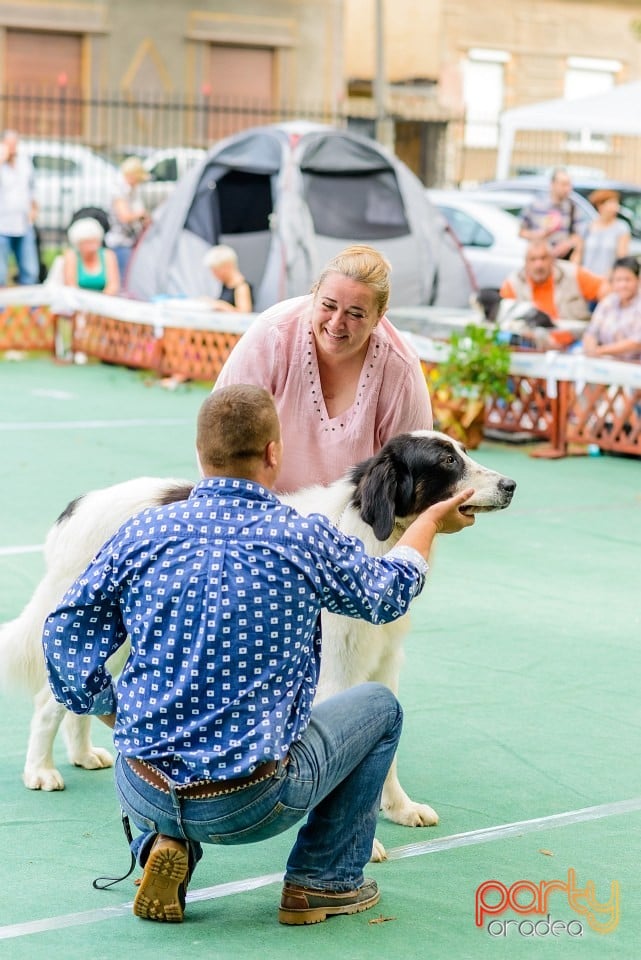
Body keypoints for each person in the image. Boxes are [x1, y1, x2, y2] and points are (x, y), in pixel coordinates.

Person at [42, 384, 475, 926]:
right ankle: (322, 881)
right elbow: (388, 594)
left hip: (142, 784)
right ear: (274, 453)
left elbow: (62, 633)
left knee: (167, 717)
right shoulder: (303, 538)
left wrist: (112, 713)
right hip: (253, 801)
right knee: (379, 707)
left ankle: (159, 844)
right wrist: (431, 521)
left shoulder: (141, 532)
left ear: (201, 455)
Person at [214, 245, 433, 492]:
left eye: (355, 314)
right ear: (314, 293)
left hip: (353, 520)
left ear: (379, 316)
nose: (336, 323)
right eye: (328, 305)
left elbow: (414, 472)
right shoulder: (272, 334)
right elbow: (222, 433)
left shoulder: (400, 368)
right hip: (264, 507)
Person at [500, 239, 608, 328]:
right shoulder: (512, 284)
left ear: (552, 259)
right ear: (526, 262)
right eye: (533, 259)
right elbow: (502, 319)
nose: (539, 265)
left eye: (543, 258)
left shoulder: (573, 274)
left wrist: (601, 320)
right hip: (530, 344)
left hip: (572, 342)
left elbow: (607, 290)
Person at [582, 256, 641, 361]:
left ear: (638, 280)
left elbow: (637, 342)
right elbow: (591, 331)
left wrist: (601, 351)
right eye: (618, 280)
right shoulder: (608, 302)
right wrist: (591, 349)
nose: (623, 285)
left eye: (627, 280)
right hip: (604, 365)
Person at [0, 129, 39, 286]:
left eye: (15, 144)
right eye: (9, 144)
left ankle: (30, 310)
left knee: (30, 271)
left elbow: (32, 189)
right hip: (2, 226)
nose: (13, 148)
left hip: (24, 224)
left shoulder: (24, 162)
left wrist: (34, 209)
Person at [518, 167, 584, 260]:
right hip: (539, 260)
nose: (568, 189)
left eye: (569, 185)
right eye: (564, 184)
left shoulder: (572, 207)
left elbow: (578, 235)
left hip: (561, 260)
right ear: (552, 184)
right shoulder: (535, 205)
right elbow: (521, 232)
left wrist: (567, 244)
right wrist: (537, 235)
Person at [105, 156, 151, 284]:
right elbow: (124, 216)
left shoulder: (131, 191)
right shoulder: (118, 191)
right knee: (122, 280)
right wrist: (141, 214)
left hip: (130, 241)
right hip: (120, 243)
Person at [573, 189, 630, 276]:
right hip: (586, 278)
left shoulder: (621, 228)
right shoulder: (587, 227)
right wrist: (573, 271)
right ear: (600, 206)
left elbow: (621, 257)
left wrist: (608, 277)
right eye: (611, 203)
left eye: (616, 203)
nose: (616, 207)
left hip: (607, 280)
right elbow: (578, 254)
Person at [62, 217, 120, 294]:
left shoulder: (108, 255)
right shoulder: (72, 255)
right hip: (78, 302)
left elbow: (113, 285)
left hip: (104, 301)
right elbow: (70, 284)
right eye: (87, 242)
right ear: (78, 244)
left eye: (94, 241)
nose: (92, 246)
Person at [202, 244, 253, 312]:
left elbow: (244, 314)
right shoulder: (226, 285)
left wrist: (223, 306)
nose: (214, 275)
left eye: (216, 271)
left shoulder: (241, 287)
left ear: (227, 266)